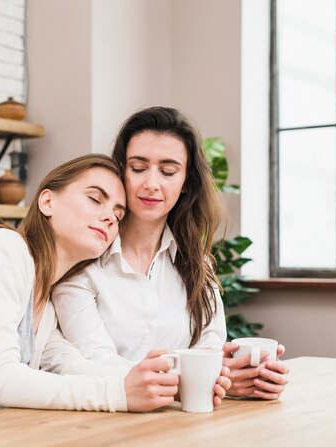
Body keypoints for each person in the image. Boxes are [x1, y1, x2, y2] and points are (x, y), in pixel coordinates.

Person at [0, 154, 182, 418]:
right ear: (47, 201)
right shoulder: (5, 249)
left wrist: (168, 384)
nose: (110, 218)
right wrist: (117, 394)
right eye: (95, 199)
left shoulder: (46, 302)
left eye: (118, 214)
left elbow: (71, 365)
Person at [52, 107, 289, 401]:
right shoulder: (83, 262)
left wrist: (246, 378)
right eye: (138, 168)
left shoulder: (197, 266)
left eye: (167, 171)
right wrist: (198, 379)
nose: (151, 184)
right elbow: (97, 363)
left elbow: (211, 351)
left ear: (186, 182)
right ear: (121, 172)